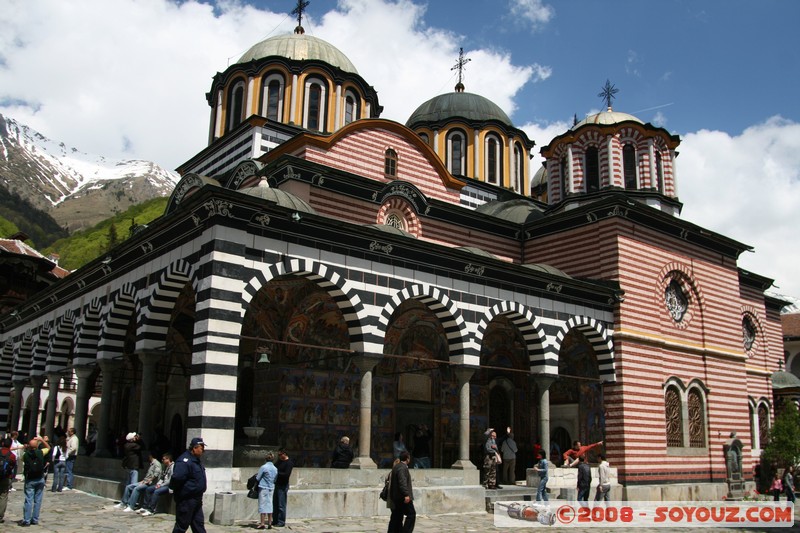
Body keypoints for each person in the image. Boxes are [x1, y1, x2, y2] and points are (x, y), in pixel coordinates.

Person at [170, 437, 207, 533]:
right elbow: (177, 478)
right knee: (181, 526)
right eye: (201, 448)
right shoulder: (184, 461)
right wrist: (181, 492)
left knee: (199, 525)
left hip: (197, 499)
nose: (203, 450)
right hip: (187, 500)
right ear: (194, 448)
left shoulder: (196, 460)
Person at [20, 435, 50, 527]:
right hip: (40, 478)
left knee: (28, 500)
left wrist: (25, 449)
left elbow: (22, 459)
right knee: (38, 500)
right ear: (37, 446)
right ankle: (35, 519)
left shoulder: (26, 455)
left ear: (29, 446)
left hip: (30, 479)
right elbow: (48, 448)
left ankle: (27, 520)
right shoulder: (40, 452)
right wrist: (42, 440)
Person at [387, 450, 415, 533]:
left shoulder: (397, 467)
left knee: (397, 516)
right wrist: (406, 494)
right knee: (411, 514)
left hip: (396, 496)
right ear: (407, 459)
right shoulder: (402, 468)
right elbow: (402, 482)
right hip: (402, 497)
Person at [256, 452, 278, 529]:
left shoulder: (263, 467)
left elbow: (258, 478)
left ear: (265, 459)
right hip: (271, 487)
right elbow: (275, 479)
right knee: (270, 504)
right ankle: (269, 522)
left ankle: (262, 523)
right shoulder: (275, 468)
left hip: (263, 487)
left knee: (262, 504)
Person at [272, 448, 293, 528]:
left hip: (283, 485)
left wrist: (277, 473)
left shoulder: (289, 463)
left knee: (281, 504)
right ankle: (275, 520)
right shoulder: (279, 462)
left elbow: (286, 474)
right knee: (275, 503)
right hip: (277, 484)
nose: (279, 456)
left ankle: (281, 521)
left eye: (280, 455)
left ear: (284, 454)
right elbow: (274, 468)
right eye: (278, 455)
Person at [0, 436, 17, 524]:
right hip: (5, 478)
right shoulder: (12, 456)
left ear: (2, 443)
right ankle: (0, 516)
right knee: (3, 496)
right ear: (10, 445)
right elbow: (13, 466)